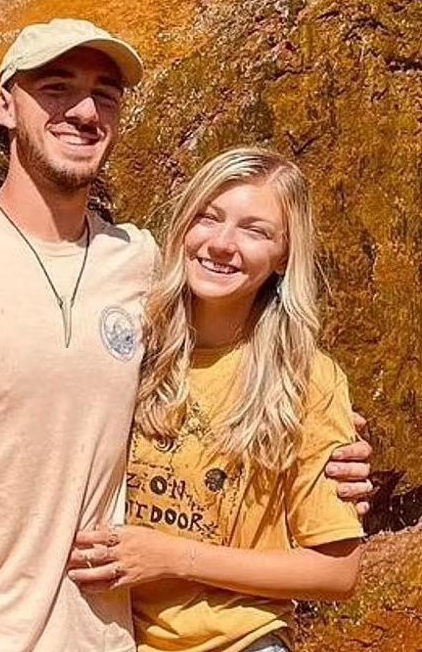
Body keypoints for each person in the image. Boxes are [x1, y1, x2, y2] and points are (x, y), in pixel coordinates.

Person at [0, 19, 371, 652]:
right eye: (57, 87)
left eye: (105, 94)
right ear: (5, 105)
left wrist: (334, 439)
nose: (85, 111)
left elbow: (244, 349)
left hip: (103, 638)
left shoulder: (143, 266)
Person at [68, 147, 365, 652]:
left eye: (255, 231)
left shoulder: (306, 379)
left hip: (241, 641)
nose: (222, 244)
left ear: (284, 256)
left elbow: (337, 572)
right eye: (209, 217)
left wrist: (173, 557)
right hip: (105, 635)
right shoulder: (127, 347)